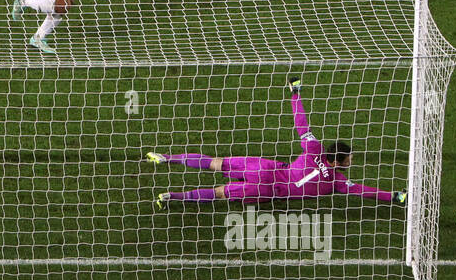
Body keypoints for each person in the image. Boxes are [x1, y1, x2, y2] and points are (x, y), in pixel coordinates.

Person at [149, 79, 405, 207]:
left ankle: (166, 158)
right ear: (338, 161)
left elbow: (301, 124)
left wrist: (295, 94)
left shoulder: (314, 149)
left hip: (266, 170)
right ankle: (172, 196)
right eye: (349, 158)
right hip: (268, 191)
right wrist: (393, 196)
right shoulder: (336, 182)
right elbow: (362, 190)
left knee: (216, 163)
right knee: (220, 192)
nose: (351, 161)